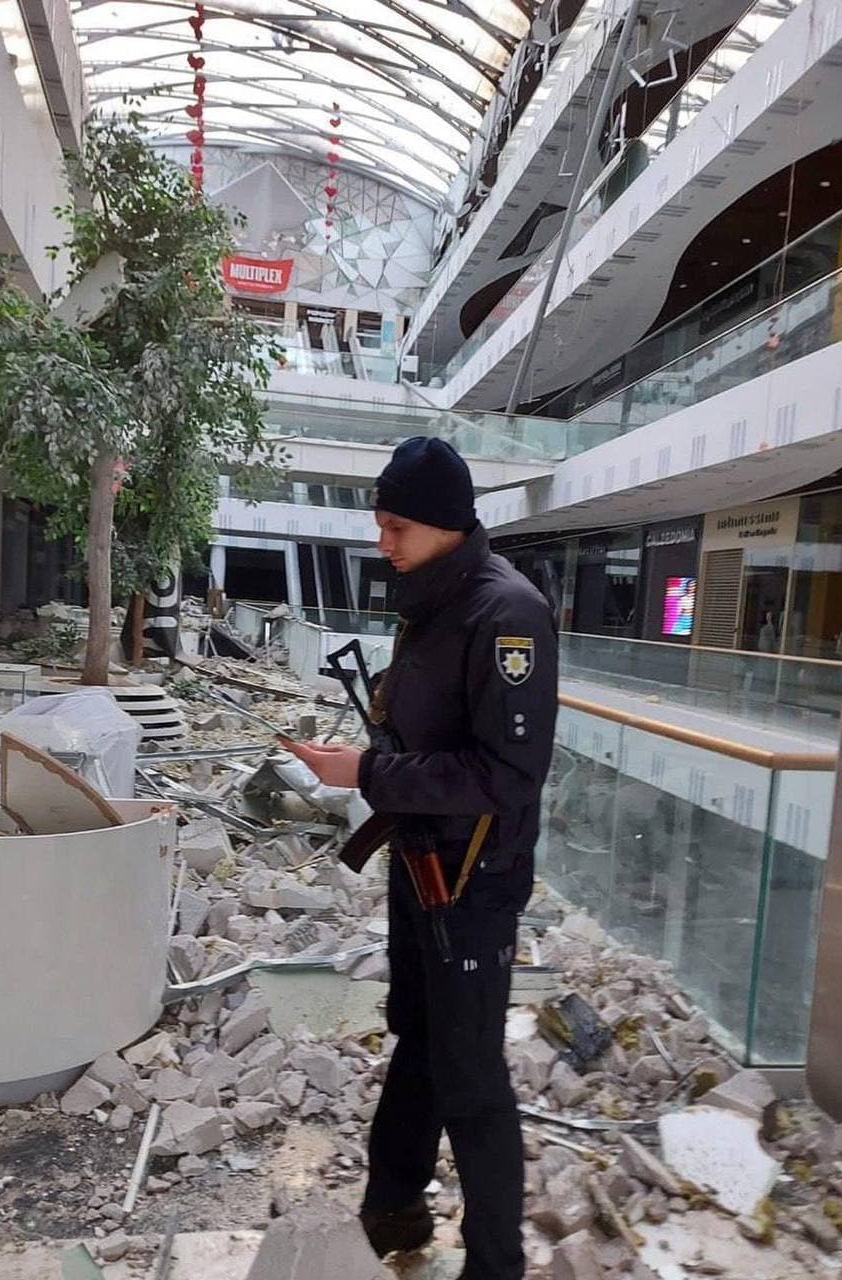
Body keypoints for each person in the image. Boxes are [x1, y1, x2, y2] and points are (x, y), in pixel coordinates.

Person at [285, 437, 558, 1280]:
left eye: (396, 525)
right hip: (422, 864)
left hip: (474, 882)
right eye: (381, 523)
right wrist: (372, 761)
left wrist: (365, 771)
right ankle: (395, 1208)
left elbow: (508, 775)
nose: (383, 541)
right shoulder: (434, 604)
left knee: (472, 1077)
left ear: (443, 524)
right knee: (419, 1037)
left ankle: (496, 1265)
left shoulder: (506, 614)